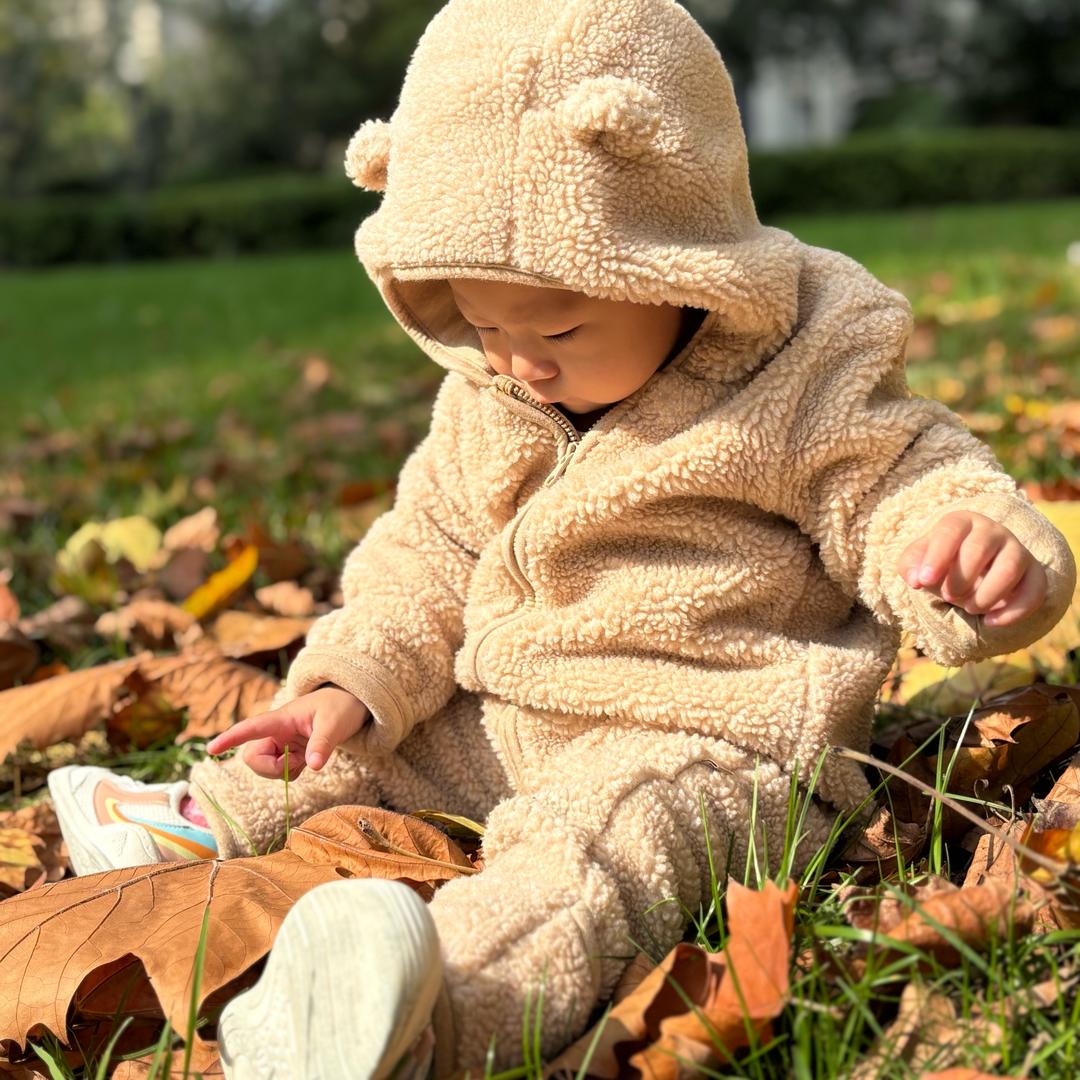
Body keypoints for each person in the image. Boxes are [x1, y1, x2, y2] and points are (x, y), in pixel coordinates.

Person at [46, 0, 1076, 1075]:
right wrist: (347, 680)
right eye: (481, 326)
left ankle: (428, 1005)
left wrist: (969, 551)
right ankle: (192, 826)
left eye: (561, 330)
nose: (519, 362)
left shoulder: (803, 371)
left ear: (680, 265)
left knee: (595, 853)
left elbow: (908, 480)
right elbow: (425, 553)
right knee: (352, 745)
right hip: (515, 714)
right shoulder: (492, 392)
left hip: (713, 737)